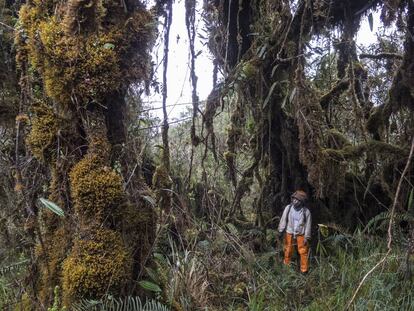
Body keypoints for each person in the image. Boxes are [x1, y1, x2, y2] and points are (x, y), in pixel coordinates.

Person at [278, 190, 312, 273]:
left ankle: (304, 270)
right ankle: (286, 267)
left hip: (301, 234)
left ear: (301, 202)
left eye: (297, 200)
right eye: (294, 199)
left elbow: (308, 225)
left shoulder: (306, 212)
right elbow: (283, 219)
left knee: (303, 252)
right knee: (288, 249)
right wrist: (280, 230)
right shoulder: (288, 208)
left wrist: (307, 237)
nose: (295, 201)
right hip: (289, 231)